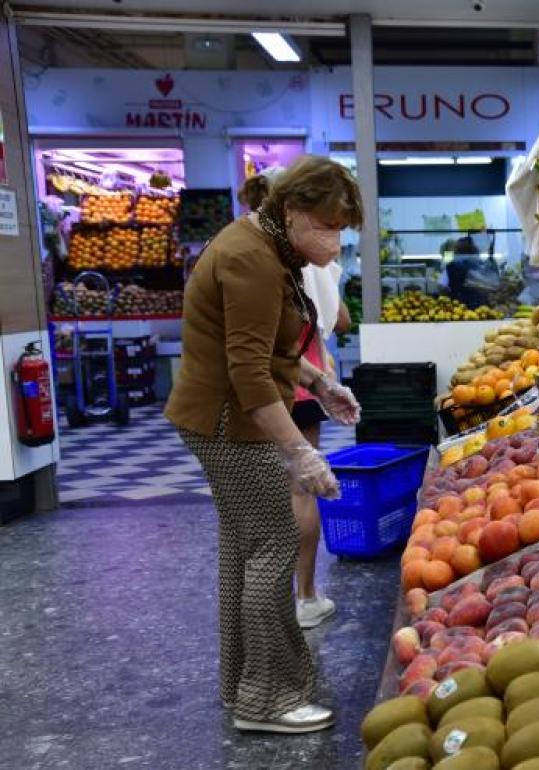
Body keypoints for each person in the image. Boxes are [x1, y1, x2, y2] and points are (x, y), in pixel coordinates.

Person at [167, 155, 362, 734]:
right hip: (228, 419)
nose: (334, 240)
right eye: (328, 226)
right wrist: (300, 452)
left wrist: (318, 383)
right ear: (294, 210)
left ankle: (242, 686)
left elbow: (265, 348)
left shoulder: (264, 243)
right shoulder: (251, 258)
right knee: (274, 544)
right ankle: (268, 700)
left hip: (216, 413)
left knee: (243, 549)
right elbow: (249, 372)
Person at [238, 168, 352, 629]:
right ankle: (304, 596)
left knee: (266, 494)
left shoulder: (256, 252)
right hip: (298, 382)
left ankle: (271, 605)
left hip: (262, 388)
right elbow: (339, 320)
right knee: (301, 488)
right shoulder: (293, 257)